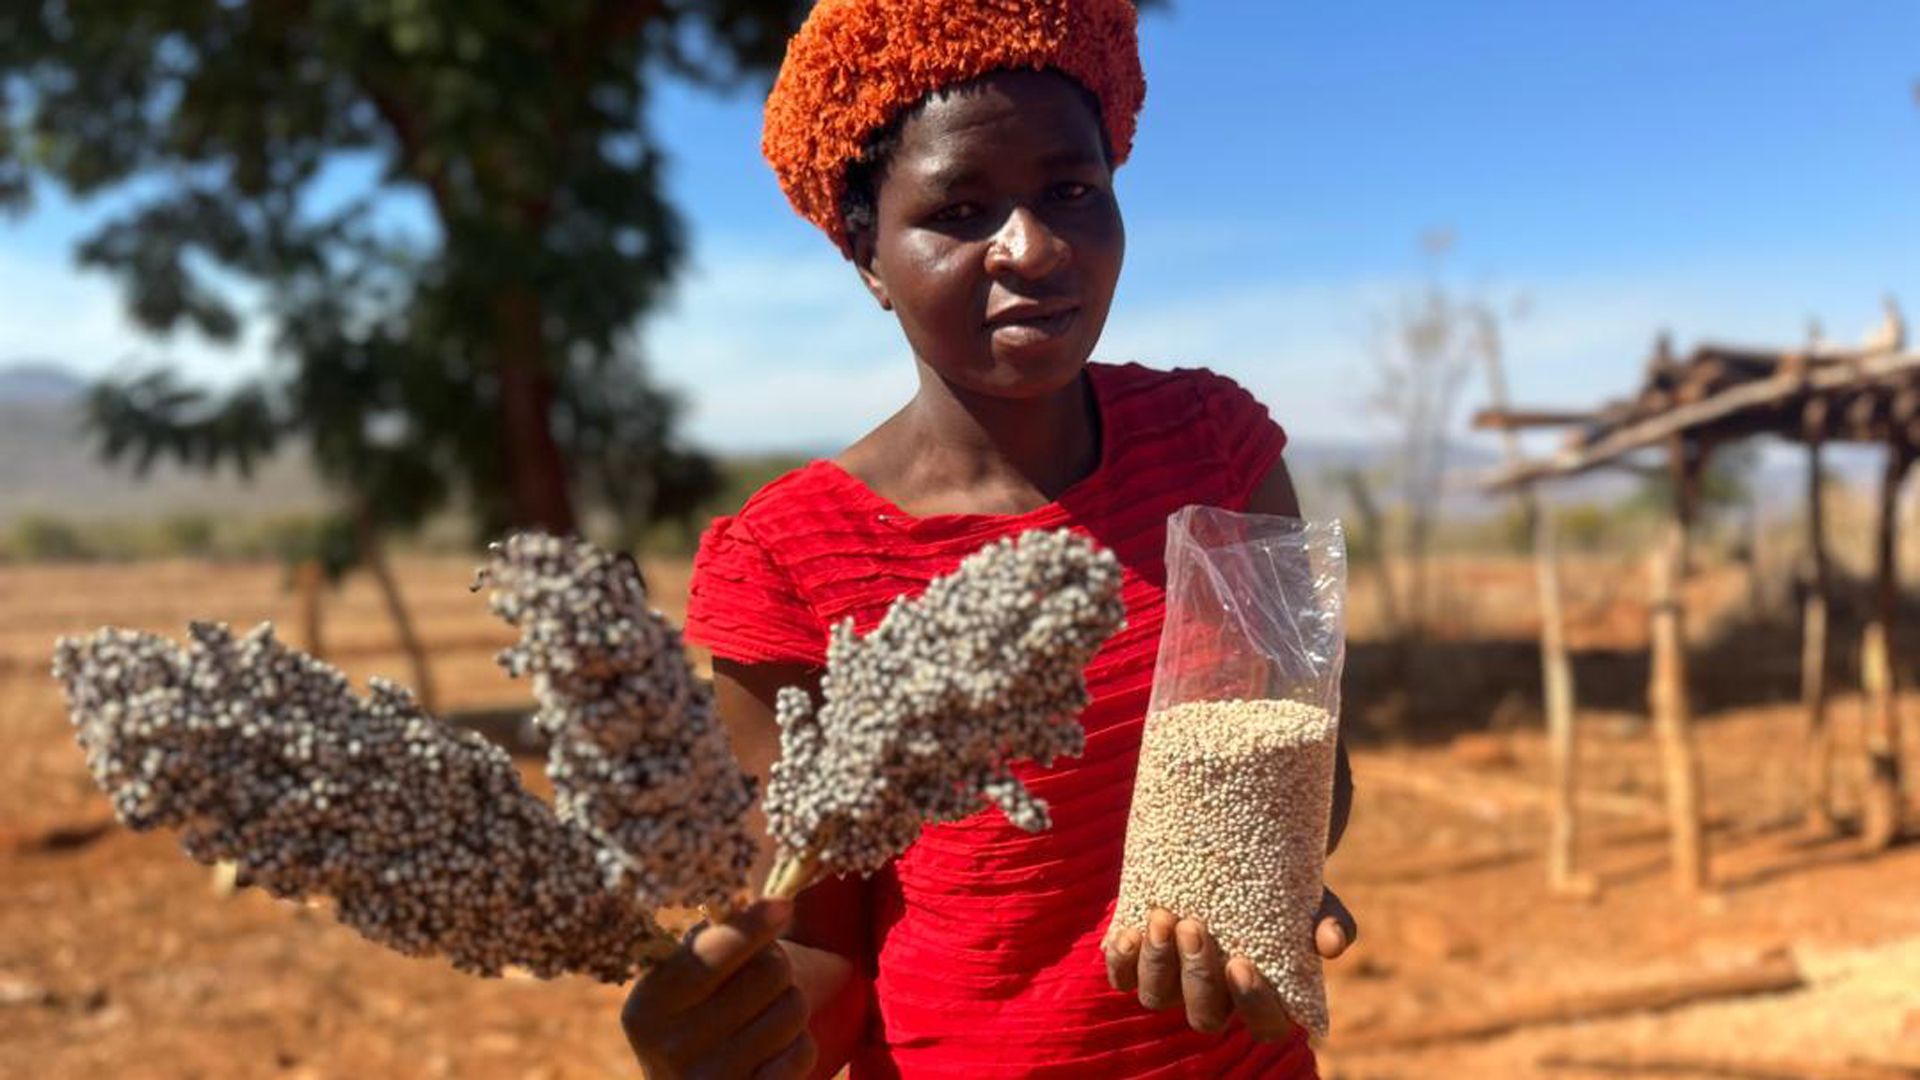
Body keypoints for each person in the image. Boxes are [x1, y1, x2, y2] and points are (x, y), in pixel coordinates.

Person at [620, 1, 1356, 1076]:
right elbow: (815, 944)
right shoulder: (794, 558)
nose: (1036, 248)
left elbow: (1311, 761)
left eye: (1072, 192)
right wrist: (725, 1036)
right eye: (961, 209)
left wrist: (1266, 867)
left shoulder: (1214, 447)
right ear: (869, 256)